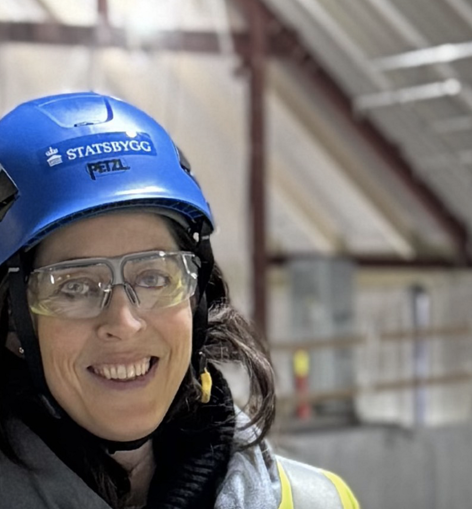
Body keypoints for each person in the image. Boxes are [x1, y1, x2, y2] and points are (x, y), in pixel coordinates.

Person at [0, 92, 359, 509]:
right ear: (12, 321)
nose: (125, 321)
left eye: (154, 276)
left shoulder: (319, 502)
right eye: (74, 287)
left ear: (196, 296)